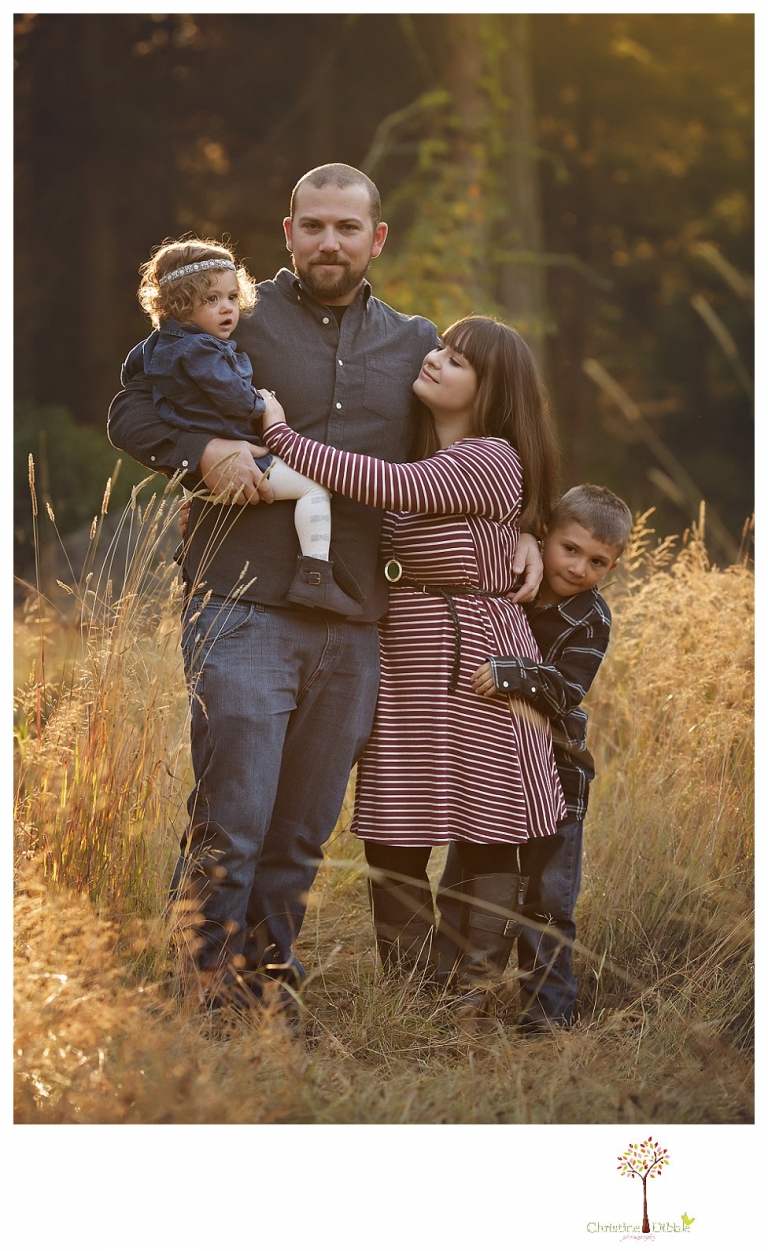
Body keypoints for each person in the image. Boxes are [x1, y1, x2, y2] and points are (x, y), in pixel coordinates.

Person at [107, 163, 544, 1015]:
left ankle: (270, 982)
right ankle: (205, 991)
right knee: (233, 811)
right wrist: (199, 453)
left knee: (303, 826)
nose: (329, 241)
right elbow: (131, 411)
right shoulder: (232, 317)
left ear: (376, 238)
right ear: (288, 233)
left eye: (348, 227)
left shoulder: (412, 340)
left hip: (357, 621)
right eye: (314, 225)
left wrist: (518, 526)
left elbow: (471, 443)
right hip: (241, 602)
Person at [260, 314, 567, 1017]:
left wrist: (279, 436)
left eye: (457, 360)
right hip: (405, 664)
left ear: (492, 389)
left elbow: (379, 484)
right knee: (397, 826)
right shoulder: (425, 447)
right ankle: (413, 992)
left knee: (487, 825)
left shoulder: (491, 456)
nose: (435, 358)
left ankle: (473, 991)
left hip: (477, 662)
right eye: (439, 348)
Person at [439, 483, 633, 1031]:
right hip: (491, 767)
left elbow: (567, 689)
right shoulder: (506, 581)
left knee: (548, 900)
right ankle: (454, 991)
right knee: (466, 880)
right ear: (544, 536)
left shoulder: (589, 617)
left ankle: (547, 1012)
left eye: (598, 561)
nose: (578, 567)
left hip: (557, 775)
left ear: (611, 568)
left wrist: (513, 672)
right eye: (570, 549)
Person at [122, 236, 361, 617]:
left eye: (232, 297)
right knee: (315, 487)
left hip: (202, 484)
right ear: (181, 306)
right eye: (211, 300)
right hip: (240, 463)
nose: (227, 309)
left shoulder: (157, 345)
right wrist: (262, 404)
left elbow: (129, 370)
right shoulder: (204, 350)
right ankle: (316, 575)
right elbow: (231, 395)